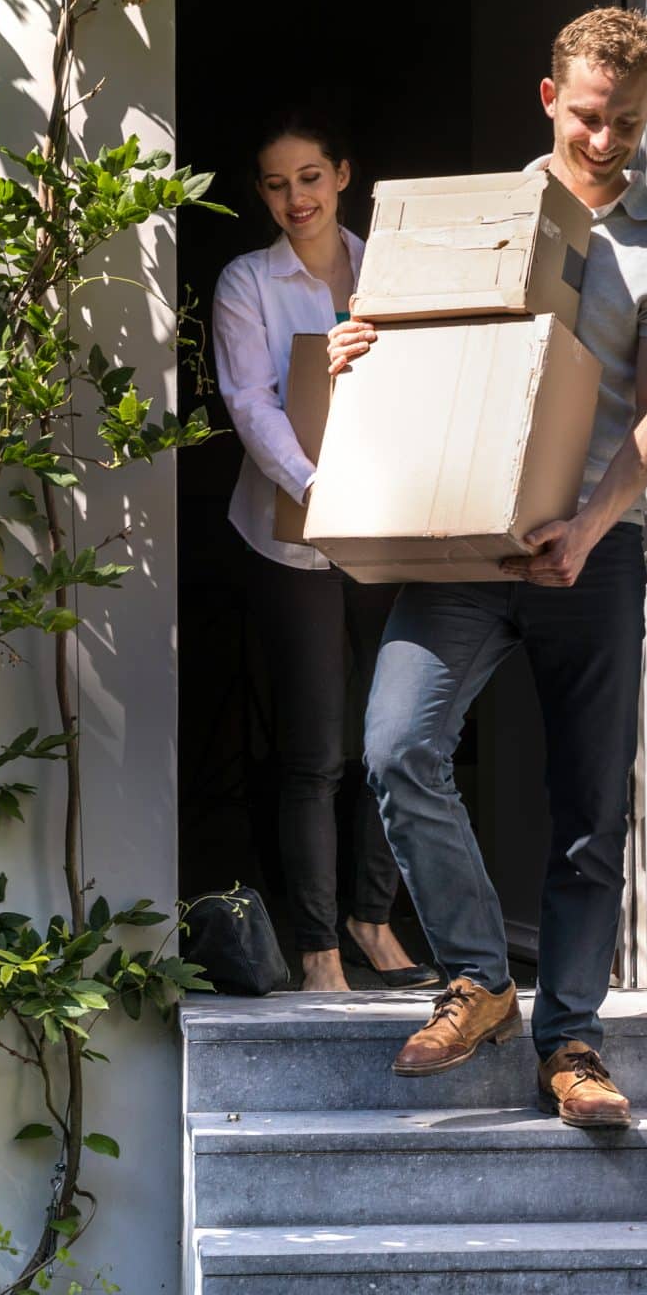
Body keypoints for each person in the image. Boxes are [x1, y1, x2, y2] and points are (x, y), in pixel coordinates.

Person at [325, 8, 647, 1125]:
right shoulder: (475, 220)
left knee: (588, 811)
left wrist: (589, 527)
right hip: (464, 544)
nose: (606, 142)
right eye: (589, 118)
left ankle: (573, 1046)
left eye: (627, 124)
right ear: (552, 101)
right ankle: (481, 979)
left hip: (590, 553)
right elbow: (397, 345)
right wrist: (353, 347)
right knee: (398, 743)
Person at [212, 109, 439, 994]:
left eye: (310, 176)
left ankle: (373, 920)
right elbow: (251, 403)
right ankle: (318, 951)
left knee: (399, 736)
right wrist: (319, 489)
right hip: (293, 537)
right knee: (316, 752)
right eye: (276, 183)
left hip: (391, 526)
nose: (294, 197)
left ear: (343, 174)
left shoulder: (394, 268)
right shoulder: (247, 281)